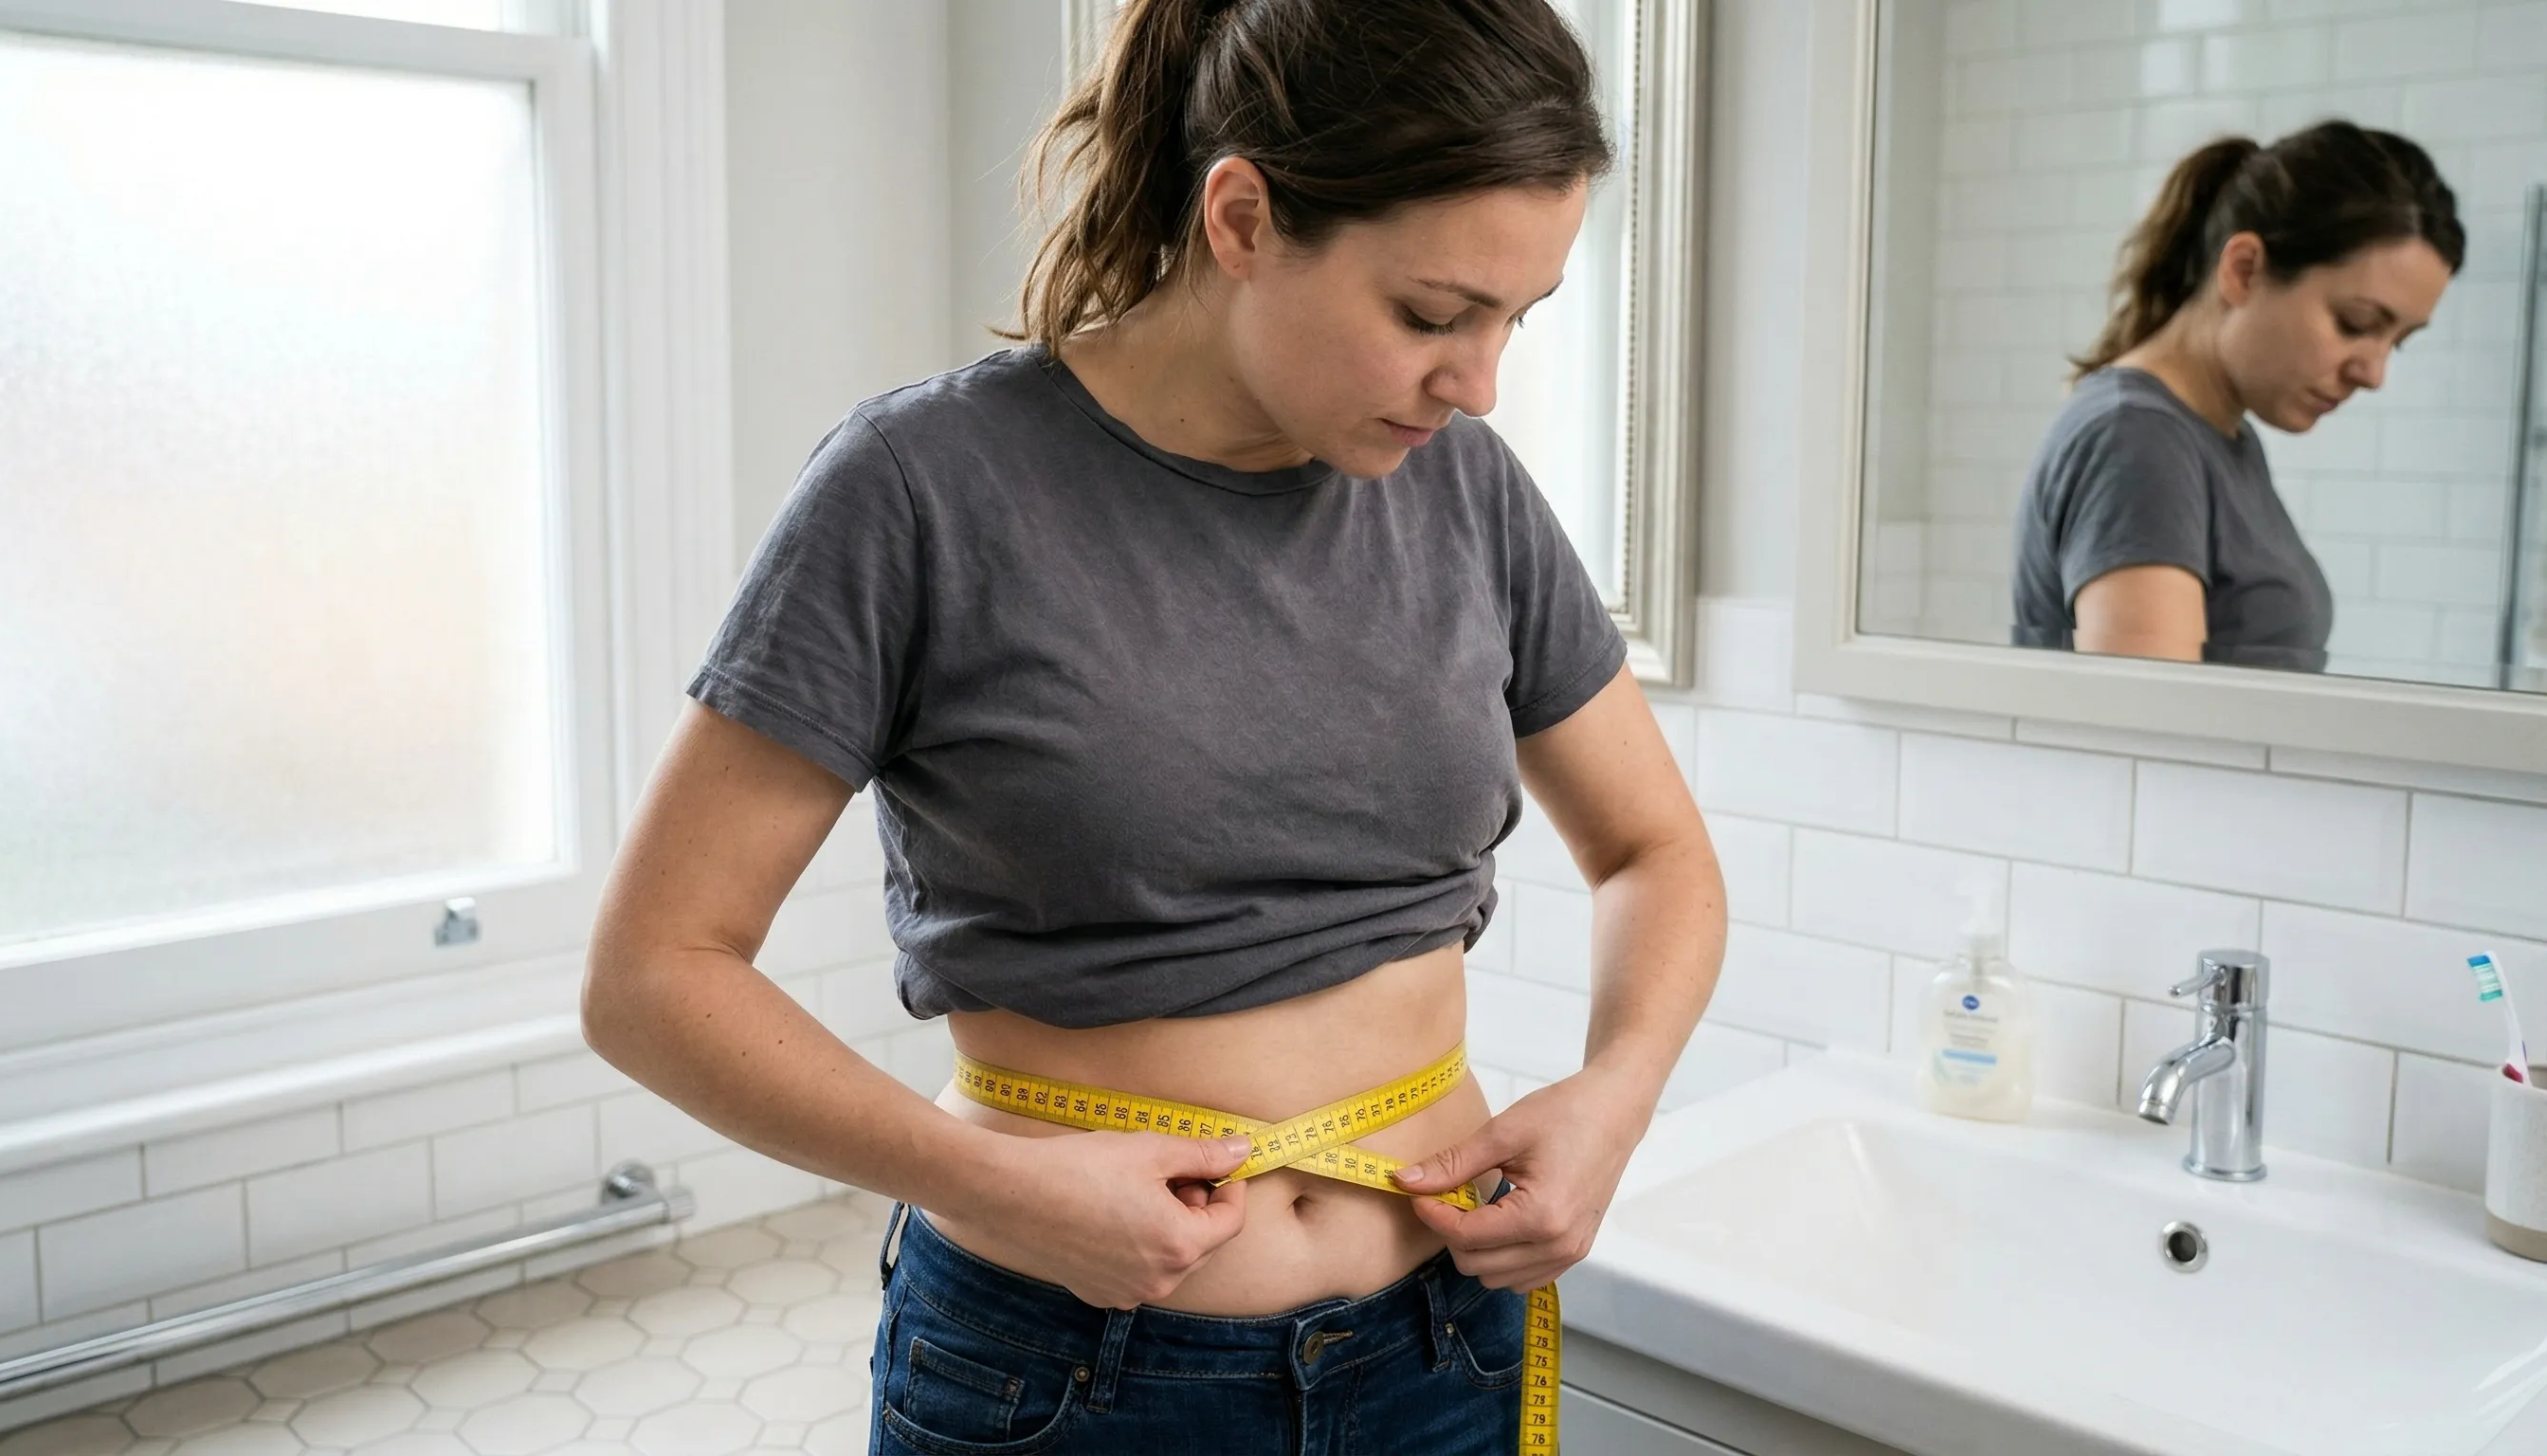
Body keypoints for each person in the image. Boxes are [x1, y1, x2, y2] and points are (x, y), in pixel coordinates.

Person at [578, 1, 1727, 1451]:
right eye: (1433, 316)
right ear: (1242, 216)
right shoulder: (923, 489)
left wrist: (1613, 1101)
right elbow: (652, 976)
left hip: (1442, 1344)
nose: (1479, 381)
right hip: (1069, 1368)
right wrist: (981, 1181)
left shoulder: (1469, 491)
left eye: (1515, 318)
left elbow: (1654, 852)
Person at [2010, 120, 2463, 670]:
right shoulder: (2136, 439)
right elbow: (2147, 730)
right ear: (2244, 270)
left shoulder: (2220, 438)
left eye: (2399, 342)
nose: (2373, 373)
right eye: (2355, 322)